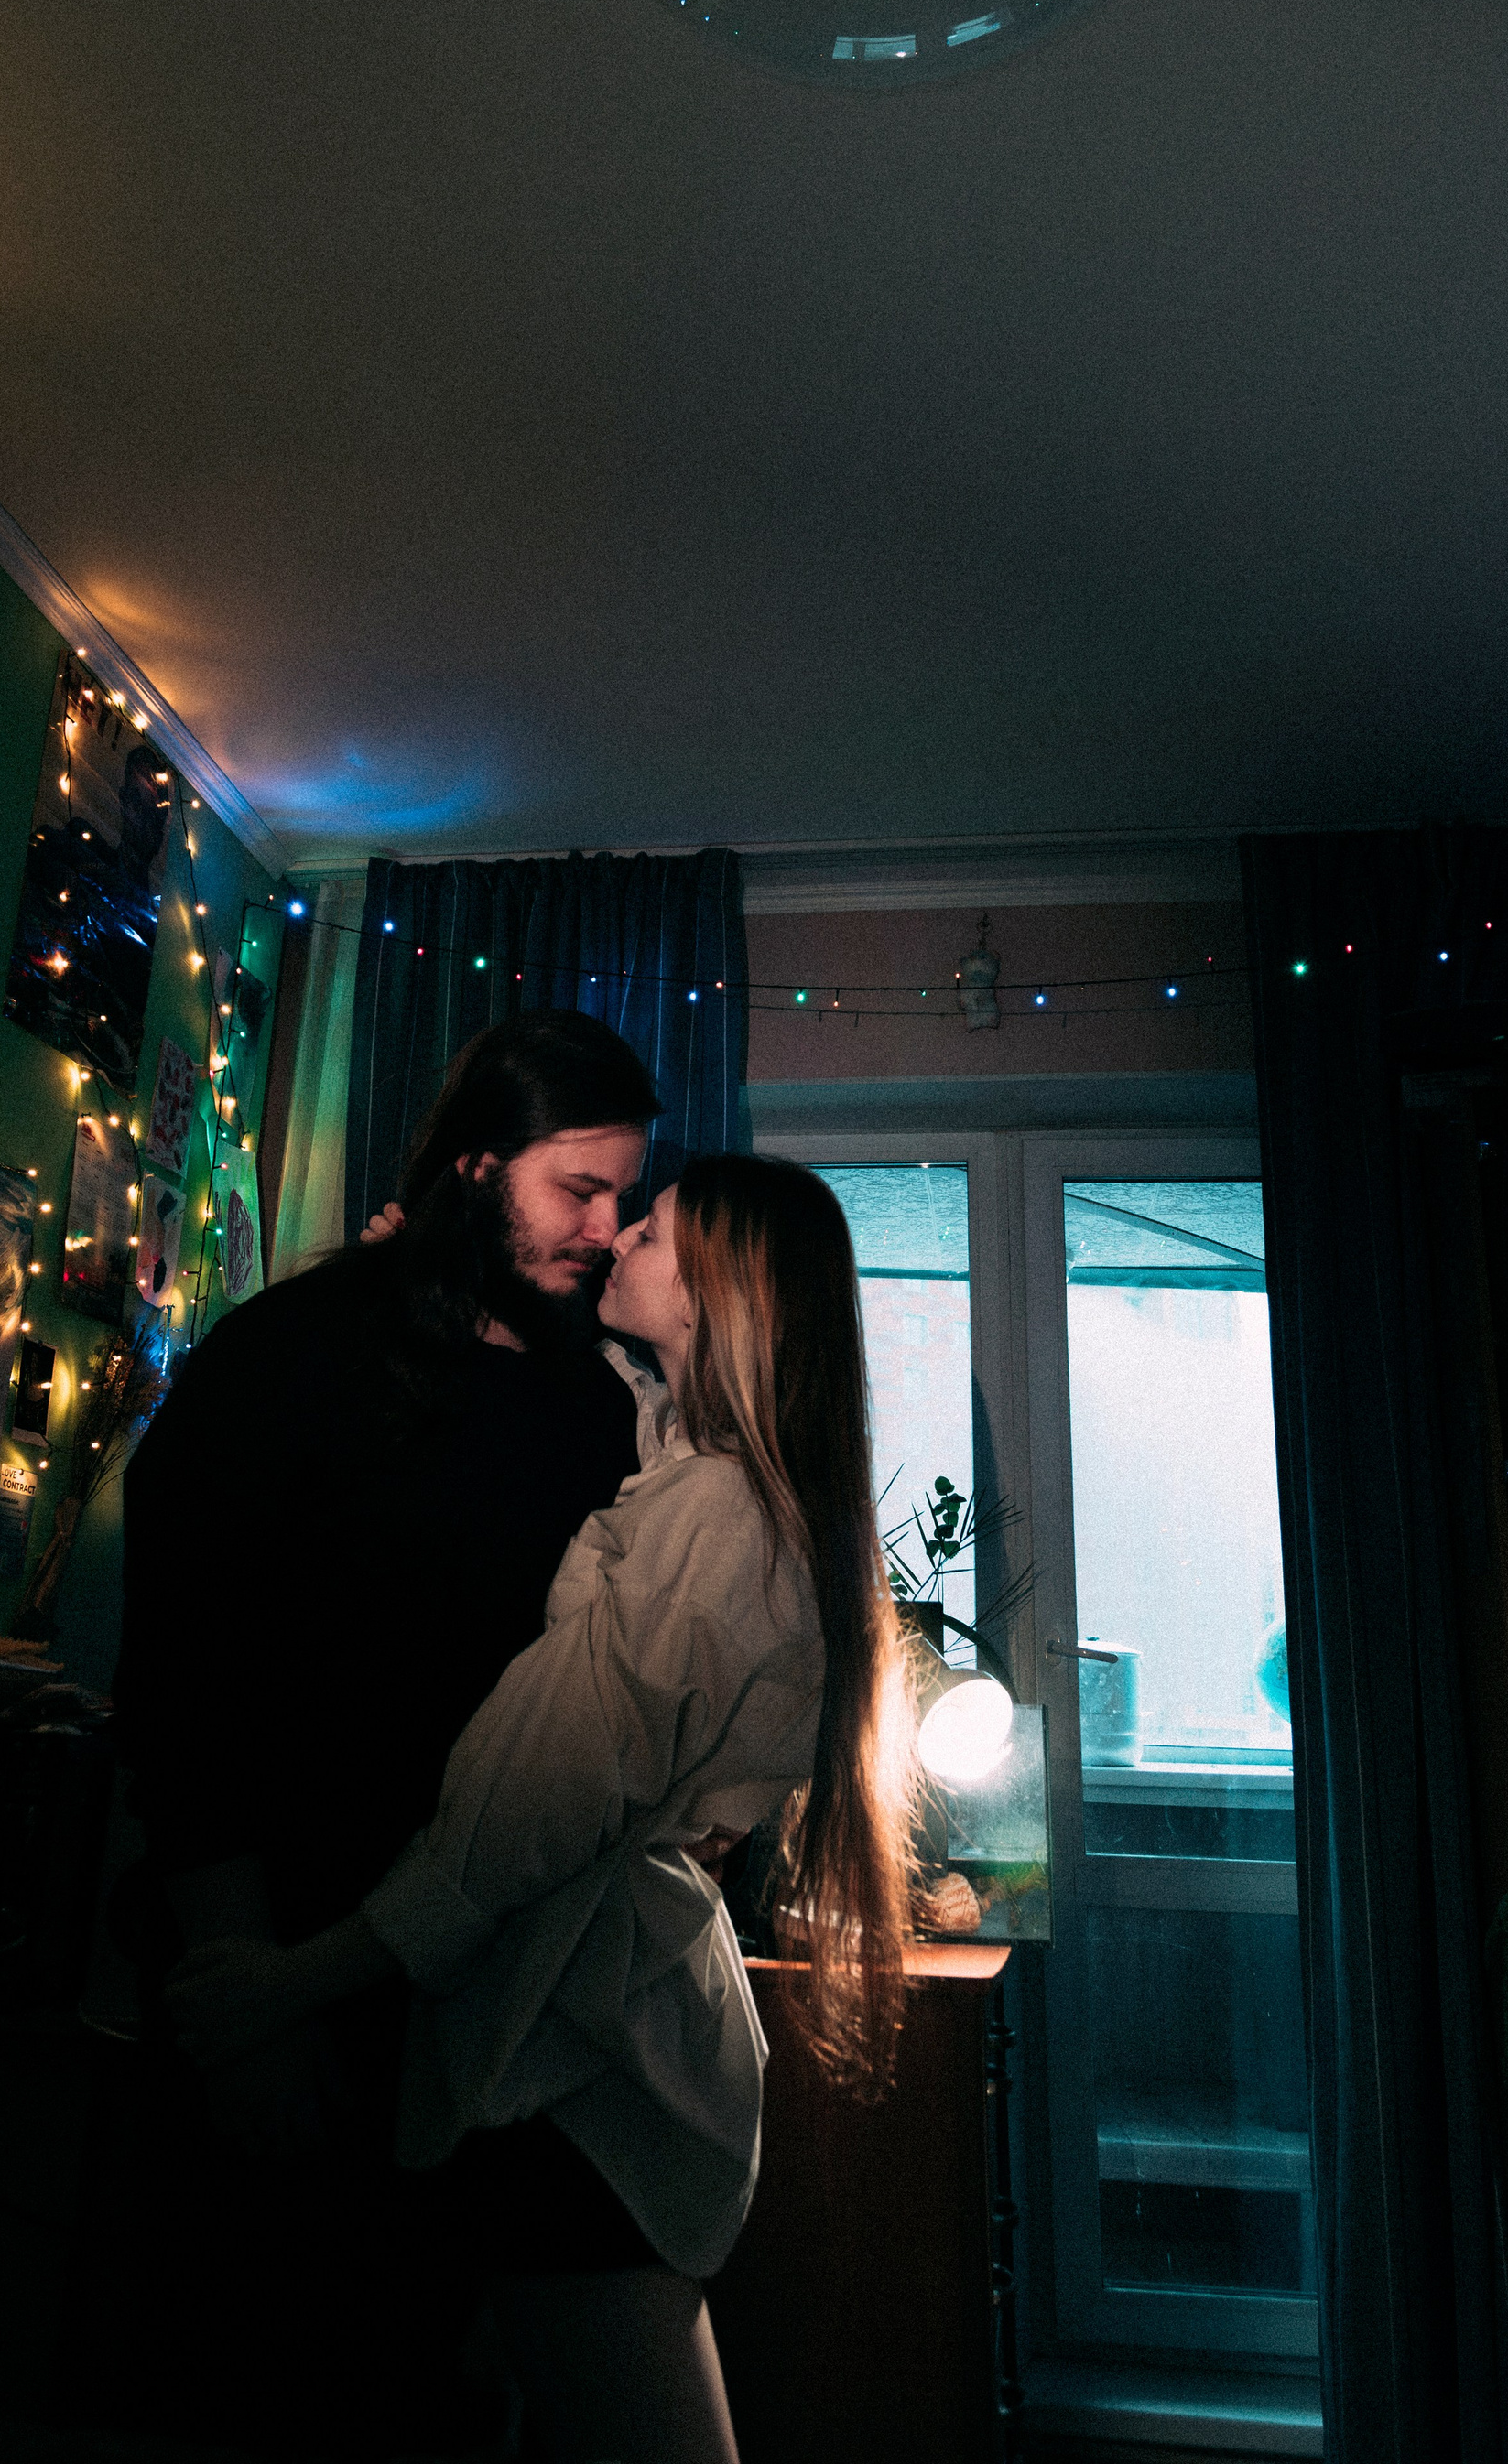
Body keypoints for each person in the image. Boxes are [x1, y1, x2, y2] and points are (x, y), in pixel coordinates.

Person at [167, 1155, 919, 2464]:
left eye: (654, 1230)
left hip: (583, 2051)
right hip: (605, 2024)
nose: (619, 1236)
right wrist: (422, 1279)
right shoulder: (715, 1478)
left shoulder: (716, 1516)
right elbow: (631, 1414)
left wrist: (296, 1979)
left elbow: (526, 1805)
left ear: (723, 1292)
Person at [103, 1010, 664, 2456]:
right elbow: (184, 1683)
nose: (608, 1229)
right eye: (577, 1189)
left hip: (482, 2012)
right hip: (281, 1972)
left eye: (624, 1196)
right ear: (477, 1166)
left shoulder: (595, 1407)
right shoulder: (289, 1356)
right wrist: (245, 1991)